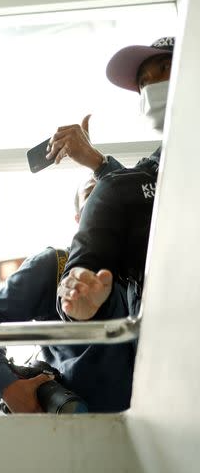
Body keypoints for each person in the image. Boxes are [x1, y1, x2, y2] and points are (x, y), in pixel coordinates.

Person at [0, 180, 135, 413]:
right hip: (74, 425)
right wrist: (7, 385)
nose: (104, 203)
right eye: (93, 196)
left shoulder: (142, 271)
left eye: (111, 197)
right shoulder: (54, 265)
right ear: (79, 220)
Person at [56, 37, 173, 321]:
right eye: (143, 82)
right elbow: (85, 270)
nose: (152, 85)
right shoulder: (121, 188)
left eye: (166, 67)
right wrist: (79, 298)